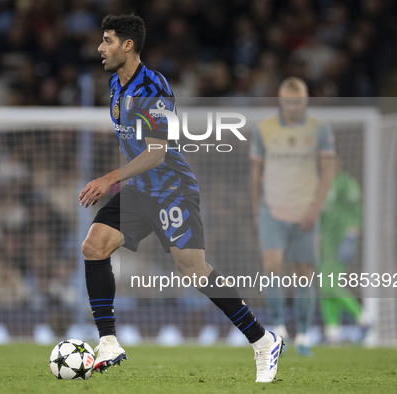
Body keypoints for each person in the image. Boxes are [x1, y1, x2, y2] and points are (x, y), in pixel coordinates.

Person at [80, 14, 283, 383]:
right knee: (94, 246)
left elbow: (157, 152)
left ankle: (263, 340)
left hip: (172, 189)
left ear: (128, 45)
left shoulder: (153, 87)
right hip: (141, 191)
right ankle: (108, 341)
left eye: (107, 40)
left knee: (192, 270)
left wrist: (108, 179)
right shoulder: (114, 84)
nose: (100, 48)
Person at [250, 77, 336, 356]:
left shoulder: (319, 129)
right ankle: (279, 329)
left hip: (305, 212)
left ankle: (304, 336)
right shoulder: (264, 129)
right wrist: (256, 209)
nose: (293, 106)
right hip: (272, 210)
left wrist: (315, 210)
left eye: (298, 101)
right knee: (272, 268)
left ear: (306, 100)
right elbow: (255, 173)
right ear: (281, 100)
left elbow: (328, 172)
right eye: (288, 101)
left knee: (304, 275)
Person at [319, 156, 368, 344]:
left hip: (342, 241)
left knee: (328, 284)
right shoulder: (321, 185)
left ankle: (363, 316)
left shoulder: (347, 183)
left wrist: (351, 235)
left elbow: (356, 210)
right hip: (326, 244)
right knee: (325, 287)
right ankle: (333, 332)